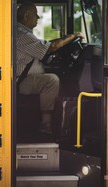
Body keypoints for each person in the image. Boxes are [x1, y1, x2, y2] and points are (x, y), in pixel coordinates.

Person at [16, 2, 83, 134]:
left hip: (23, 77)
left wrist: (65, 39)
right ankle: (46, 124)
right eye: (35, 14)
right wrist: (73, 36)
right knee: (52, 80)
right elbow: (50, 47)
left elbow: (45, 44)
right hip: (20, 81)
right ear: (26, 15)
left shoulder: (21, 32)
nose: (38, 17)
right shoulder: (22, 35)